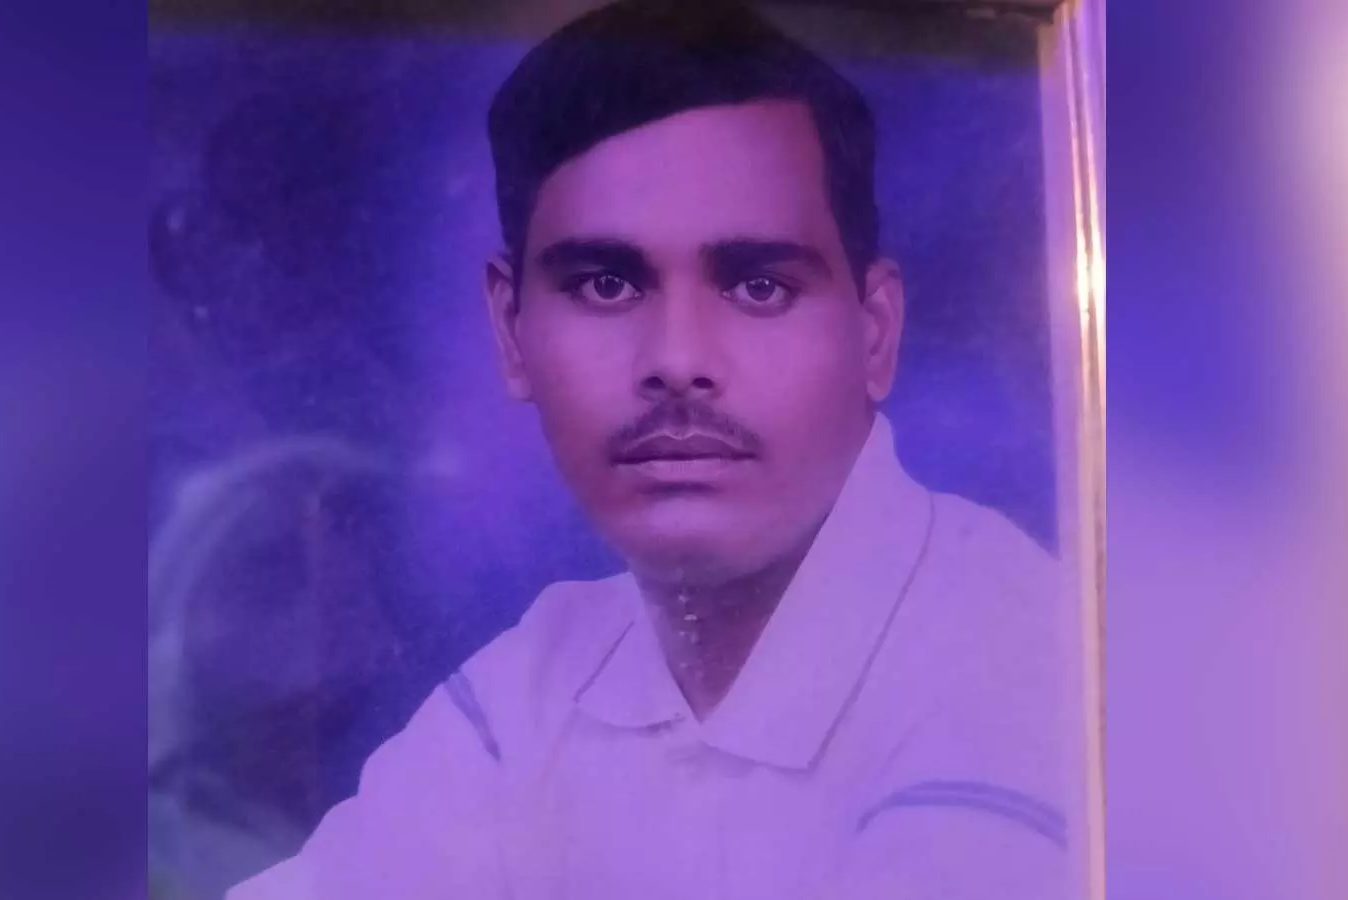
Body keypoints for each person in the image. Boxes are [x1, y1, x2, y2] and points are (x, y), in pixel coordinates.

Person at [231, 1, 1074, 897]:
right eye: (606, 284)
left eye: (758, 286)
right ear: (511, 332)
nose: (676, 360)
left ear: (875, 333)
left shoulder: (1011, 663)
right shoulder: (544, 681)